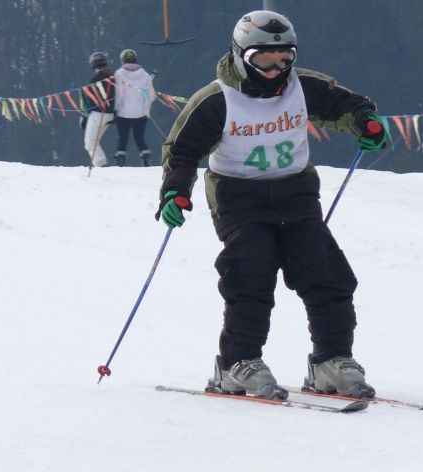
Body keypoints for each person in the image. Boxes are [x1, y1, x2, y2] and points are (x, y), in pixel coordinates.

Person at [155, 10, 386, 399]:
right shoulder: (216, 100)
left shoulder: (302, 87)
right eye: (263, 59)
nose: (275, 69)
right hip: (238, 196)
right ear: (240, 55)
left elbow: (348, 105)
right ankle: (236, 363)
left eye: (285, 59)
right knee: (251, 269)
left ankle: (331, 360)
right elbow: (181, 151)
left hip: (294, 191)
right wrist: (174, 192)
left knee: (324, 269)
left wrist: (367, 123)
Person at [113, 49, 156, 167]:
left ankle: (120, 160)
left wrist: (116, 109)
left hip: (123, 113)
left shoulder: (119, 74)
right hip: (140, 113)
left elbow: (119, 94)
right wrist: (146, 108)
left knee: (123, 138)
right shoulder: (146, 75)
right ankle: (146, 158)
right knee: (139, 137)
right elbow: (151, 95)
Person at [83, 51, 115, 167]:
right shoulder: (113, 77)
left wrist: (85, 115)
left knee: (90, 142)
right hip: (110, 114)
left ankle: (100, 164)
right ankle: (100, 162)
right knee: (94, 141)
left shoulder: (95, 79)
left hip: (98, 114)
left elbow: (92, 100)